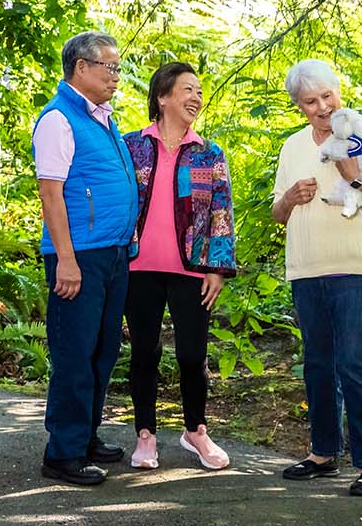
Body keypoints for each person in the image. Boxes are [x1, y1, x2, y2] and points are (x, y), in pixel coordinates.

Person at [271, 59, 362, 497]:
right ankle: (323, 452)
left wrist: (356, 177)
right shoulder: (292, 147)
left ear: (339, 92)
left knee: (356, 359)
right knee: (318, 363)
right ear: (298, 105)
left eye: (327, 96)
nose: (322, 107)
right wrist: (291, 198)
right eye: (310, 101)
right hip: (308, 268)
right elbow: (277, 213)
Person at [32, 31, 139, 485]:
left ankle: (86, 436)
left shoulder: (102, 118)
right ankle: (63, 453)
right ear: (81, 68)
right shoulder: (59, 119)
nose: (117, 76)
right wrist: (68, 260)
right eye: (110, 67)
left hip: (113, 256)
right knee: (75, 353)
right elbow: (51, 195)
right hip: (79, 258)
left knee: (102, 351)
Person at [121, 62, 237, 471]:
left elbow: (221, 211)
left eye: (200, 92)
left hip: (192, 270)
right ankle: (146, 435)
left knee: (192, 356)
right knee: (144, 354)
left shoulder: (210, 152)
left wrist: (217, 268)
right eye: (188, 89)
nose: (196, 98)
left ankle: (195, 431)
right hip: (139, 270)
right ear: (162, 97)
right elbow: (118, 202)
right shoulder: (130, 145)